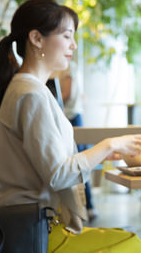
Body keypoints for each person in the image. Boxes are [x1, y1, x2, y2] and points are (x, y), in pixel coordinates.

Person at [0, 0, 141, 252]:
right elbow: (58, 175)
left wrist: (103, 153)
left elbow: (51, 167)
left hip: (29, 228)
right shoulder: (30, 94)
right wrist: (108, 145)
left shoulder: (29, 88)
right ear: (37, 39)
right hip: (31, 234)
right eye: (66, 36)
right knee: (131, 245)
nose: (73, 45)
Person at [58, 61, 97, 221]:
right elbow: (83, 97)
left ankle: (87, 206)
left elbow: (66, 94)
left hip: (71, 118)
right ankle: (87, 206)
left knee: (78, 162)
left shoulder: (68, 68)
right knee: (78, 161)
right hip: (75, 117)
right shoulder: (71, 68)